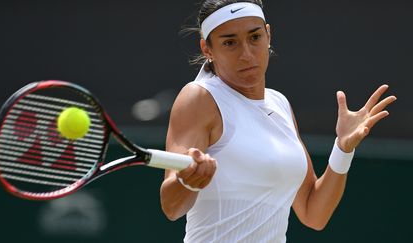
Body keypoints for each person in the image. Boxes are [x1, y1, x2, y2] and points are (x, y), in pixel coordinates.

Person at [160, 0, 396, 242]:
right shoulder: (199, 98)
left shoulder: (279, 103)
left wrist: (343, 149)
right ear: (207, 49)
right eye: (230, 43)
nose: (247, 54)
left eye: (255, 37)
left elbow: (313, 213)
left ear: (268, 35)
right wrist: (187, 181)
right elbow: (172, 207)